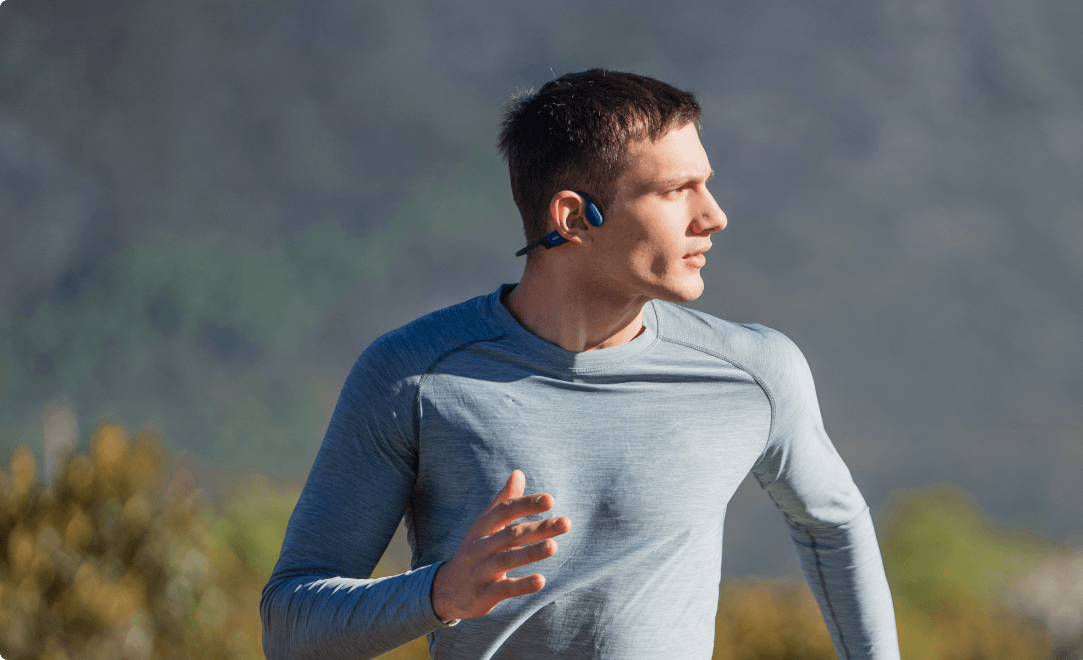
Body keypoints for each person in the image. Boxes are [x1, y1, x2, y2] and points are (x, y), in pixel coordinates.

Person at [261, 69, 900, 660]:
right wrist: (442, 593)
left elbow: (835, 523)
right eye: (678, 191)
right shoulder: (412, 378)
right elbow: (290, 626)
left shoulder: (755, 373)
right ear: (574, 218)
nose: (714, 216)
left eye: (706, 183)